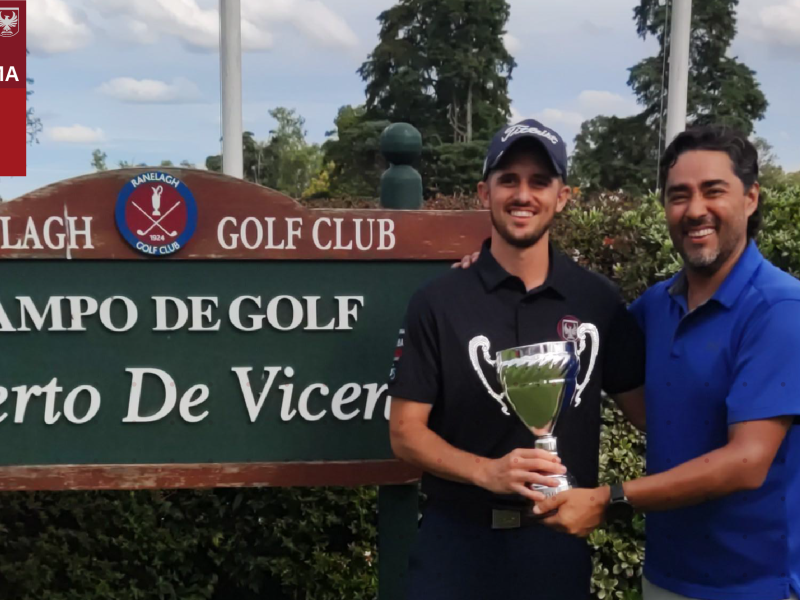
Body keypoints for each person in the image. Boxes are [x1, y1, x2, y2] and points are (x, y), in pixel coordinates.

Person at [533, 126, 800, 600]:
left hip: (754, 586)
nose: (695, 210)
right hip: (664, 577)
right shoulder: (656, 306)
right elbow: (602, 358)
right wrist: (492, 265)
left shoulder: (780, 310)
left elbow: (747, 462)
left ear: (752, 198)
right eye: (679, 195)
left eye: (713, 191)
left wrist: (610, 499)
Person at [387, 118, 646, 600]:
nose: (522, 194)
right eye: (508, 180)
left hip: (554, 546)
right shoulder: (439, 301)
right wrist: (487, 471)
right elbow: (404, 433)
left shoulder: (598, 302)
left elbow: (651, 413)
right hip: (455, 547)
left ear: (563, 195)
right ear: (484, 193)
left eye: (539, 181)